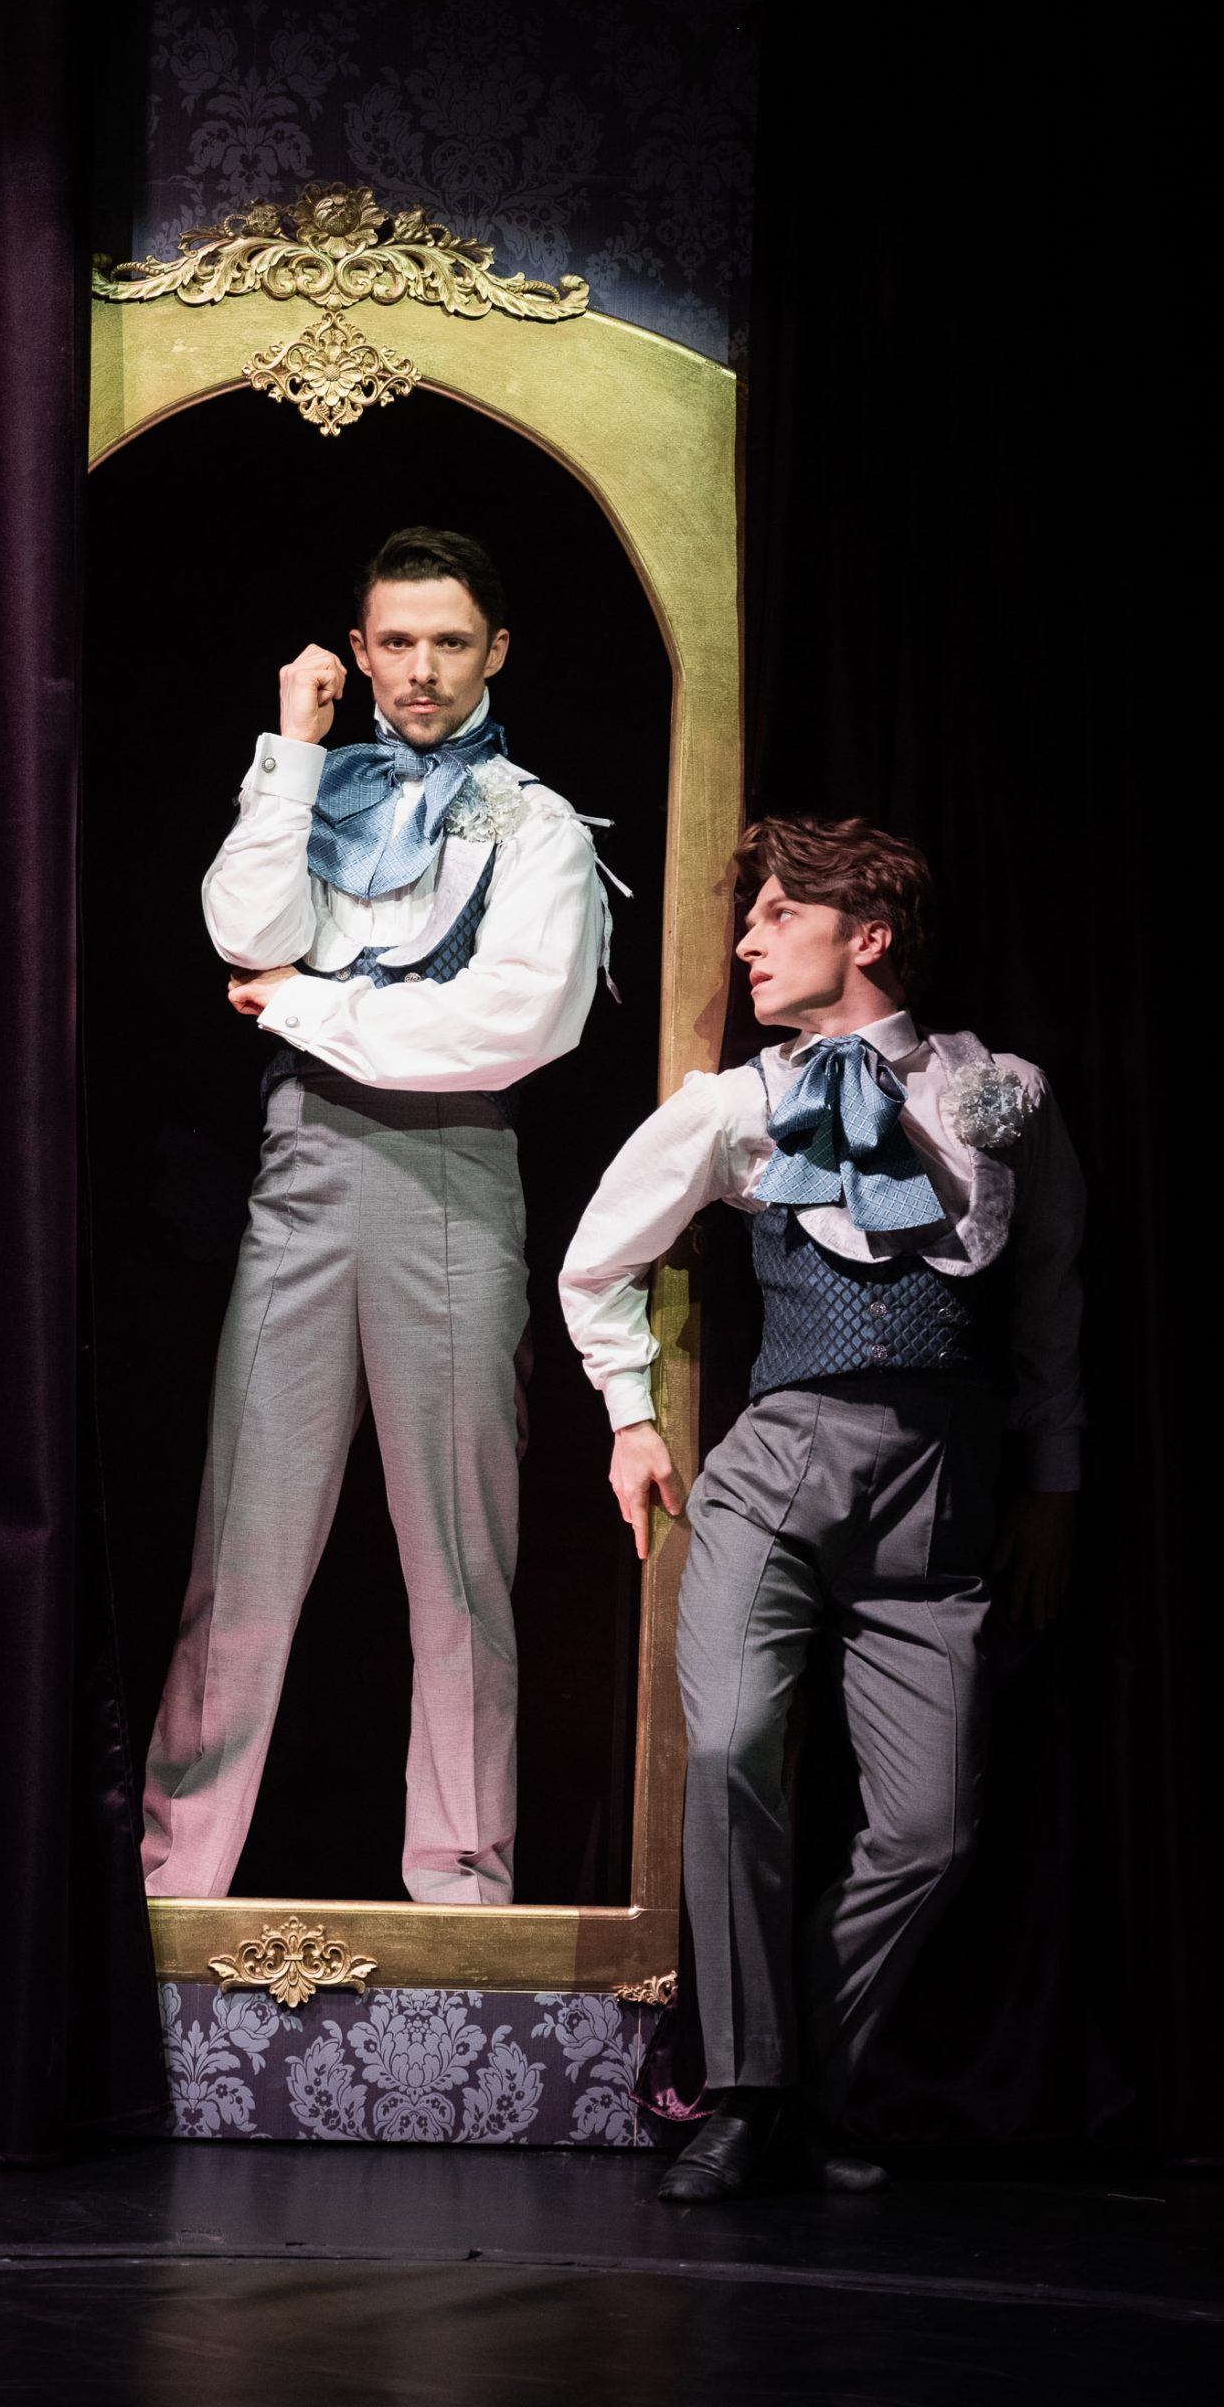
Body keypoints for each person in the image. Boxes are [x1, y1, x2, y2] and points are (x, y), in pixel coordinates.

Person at [559, 815, 1084, 2196]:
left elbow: (1050, 1300)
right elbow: (597, 1261)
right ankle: (743, 2093)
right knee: (733, 1749)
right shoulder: (737, 1105)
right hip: (779, 1472)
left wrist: (1053, 1483)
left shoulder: (999, 1091)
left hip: (942, 1488)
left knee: (931, 1830)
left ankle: (804, 2082)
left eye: (778, 915)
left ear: (869, 935)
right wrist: (628, 1419)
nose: (747, 942)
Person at [142, 527, 608, 1904]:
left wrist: (306, 1006)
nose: (421, 670)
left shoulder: (535, 823)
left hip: (450, 1175)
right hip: (303, 1168)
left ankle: (462, 1884)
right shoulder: (319, 790)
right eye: (395, 642)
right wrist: (291, 749)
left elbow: (512, 1023)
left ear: (496, 651)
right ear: (357, 652)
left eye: (450, 642)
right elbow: (243, 929)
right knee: (245, 1546)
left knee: (459, 1562)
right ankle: (176, 1872)